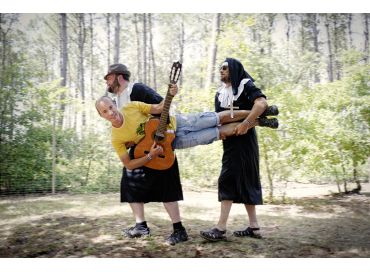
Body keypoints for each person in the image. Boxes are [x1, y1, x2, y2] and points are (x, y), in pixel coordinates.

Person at [103, 63, 187, 245]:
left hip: (158, 140)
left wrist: (156, 139)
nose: (106, 81)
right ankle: (141, 226)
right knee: (130, 179)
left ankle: (179, 230)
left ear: (119, 76)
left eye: (108, 77)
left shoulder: (137, 89)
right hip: (140, 147)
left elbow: (162, 109)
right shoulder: (116, 101)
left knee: (167, 182)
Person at [200, 57, 279, 242]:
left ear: (234, 70)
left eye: (225, 68)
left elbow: (261, 104)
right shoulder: (220, 93)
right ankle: (254, 227)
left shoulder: (245, 84)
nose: (221, 71)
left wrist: (247, 123)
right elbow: (222, 119)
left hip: (246, 142)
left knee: (228, 179)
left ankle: (220, 228)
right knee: (244, 181)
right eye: (220, 68)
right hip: (230, 142)